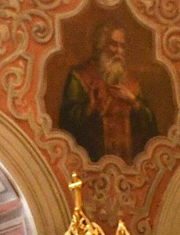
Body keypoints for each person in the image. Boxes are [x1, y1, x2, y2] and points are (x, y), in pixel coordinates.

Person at [57, 25, 161, 161]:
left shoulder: (131, 82)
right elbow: (67, 121)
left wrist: (133, 101)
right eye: (113, 45)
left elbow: (151, 126)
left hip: (129, 164)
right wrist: (90, 107)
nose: (119, 51)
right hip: (90, 163)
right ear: (100, 46)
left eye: (122, 46)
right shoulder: (81, 76)